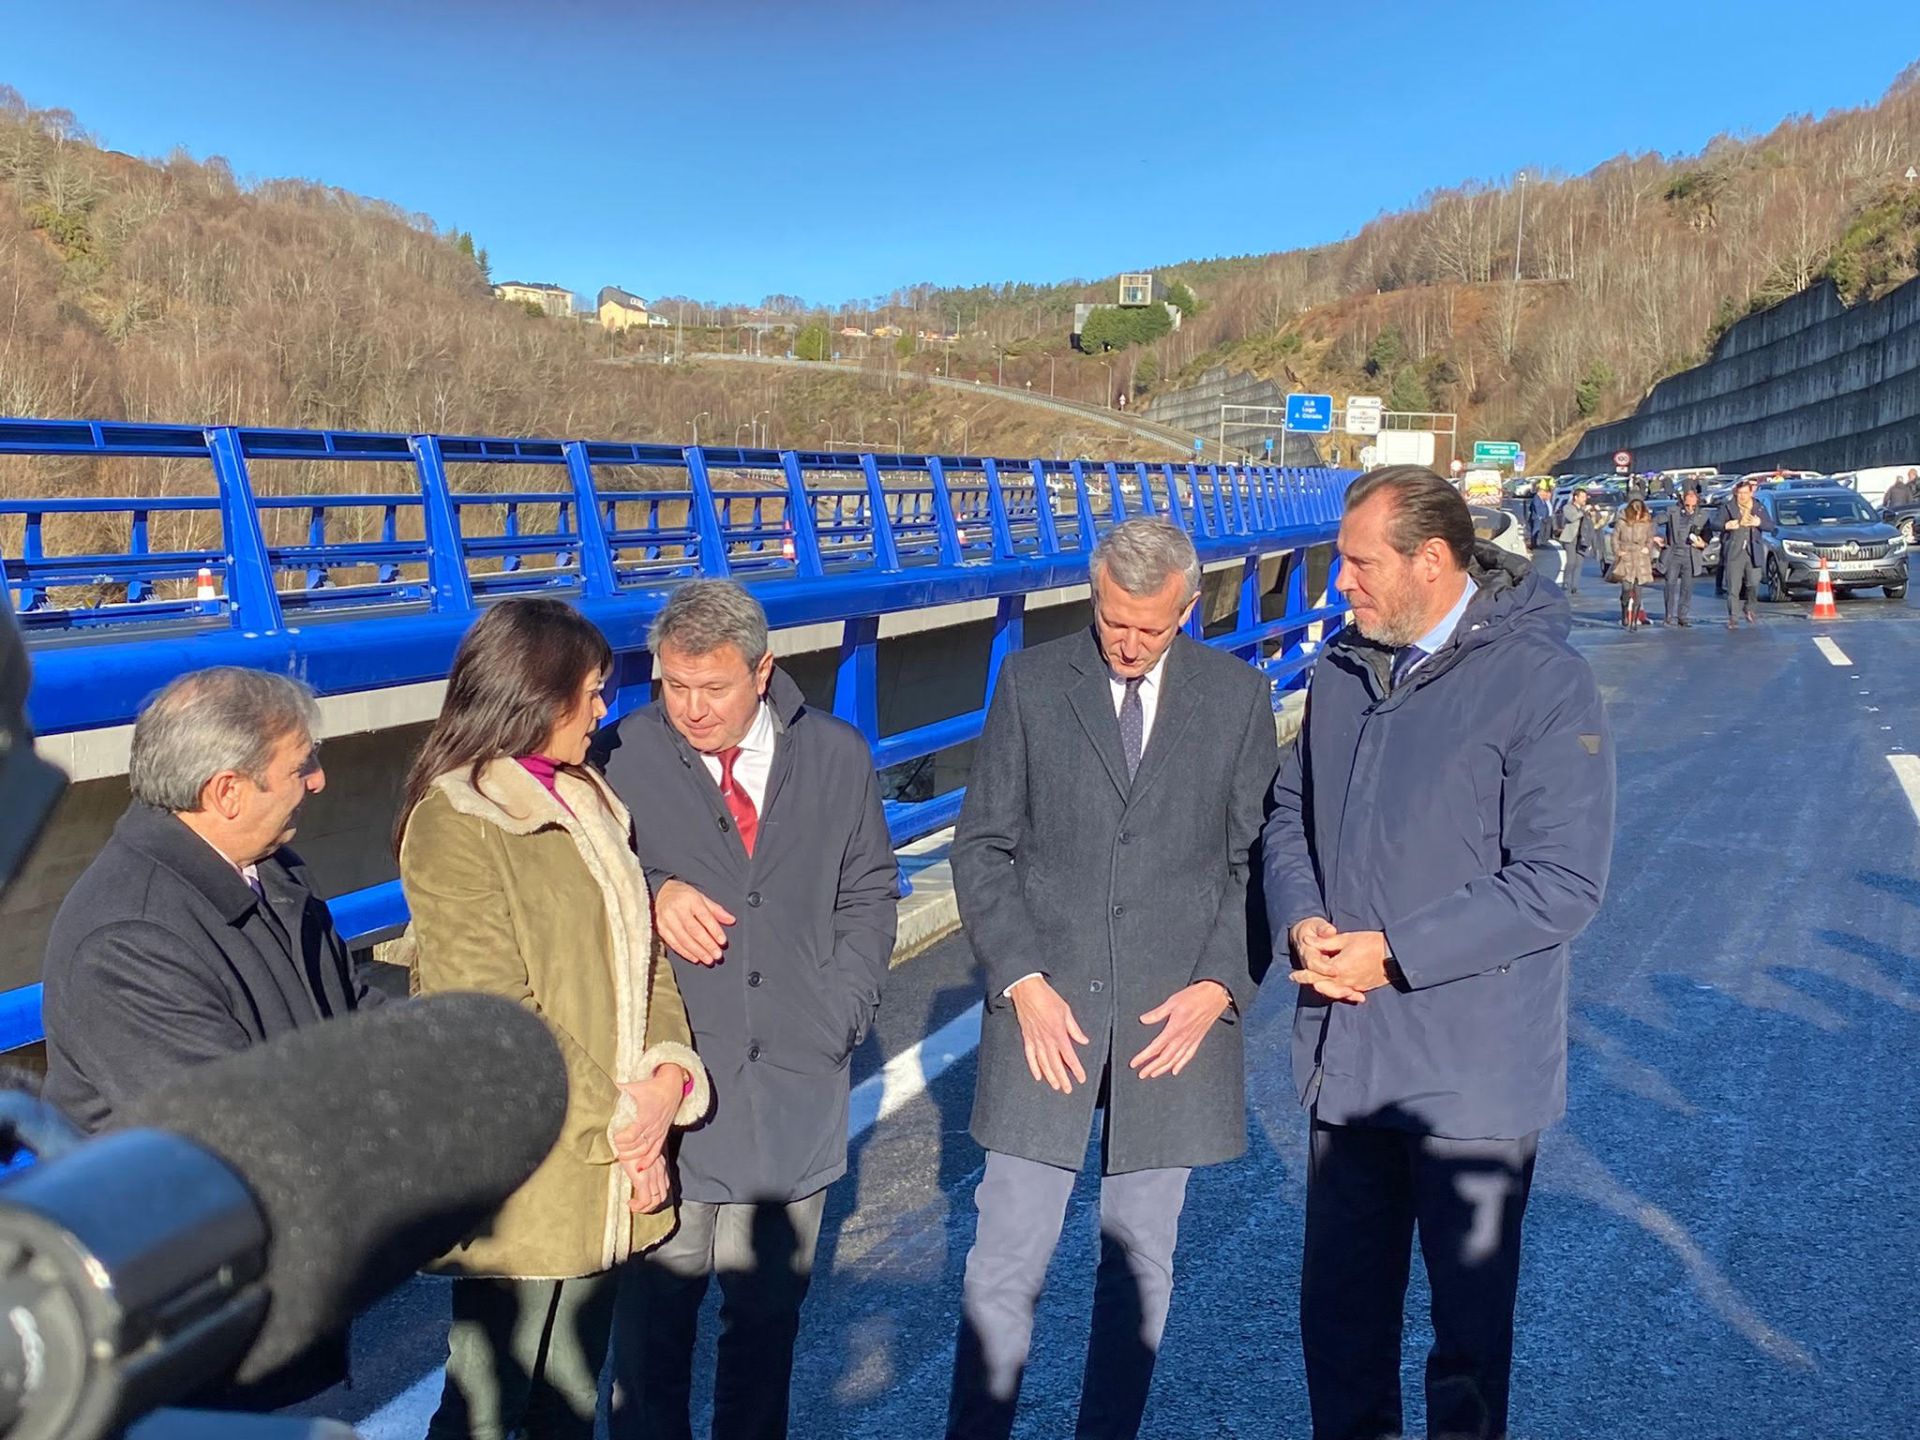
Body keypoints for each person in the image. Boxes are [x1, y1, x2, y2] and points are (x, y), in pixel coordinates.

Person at [1263, 466, 1615, 1440]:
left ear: (1431, 560)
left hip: (1471, 1077)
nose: (1340, 584)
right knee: (1338, 1331)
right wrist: (1301, 917)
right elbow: (1290, 813)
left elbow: (1561, 881)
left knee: (1465, 1352)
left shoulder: (1541, 680)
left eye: (1357, 563)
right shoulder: (1342, 668)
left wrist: (1394, 954)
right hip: (1352, 1061)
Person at [945, 518, 1279, 1440]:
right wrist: (1020, 977)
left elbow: (1256, 866)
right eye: (1110, 621)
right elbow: (983, 847)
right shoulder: (1030, 682)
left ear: (1189, 609)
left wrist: (1221, 986)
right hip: (1043, 1014)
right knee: (1004, 1259)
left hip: (1172, 1023)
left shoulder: (1239, 698)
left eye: (1149, 628)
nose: (1126, 645)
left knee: (1141, 1263)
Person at [396, 597, 710, 1440]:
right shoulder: (457, 821)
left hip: (609, 1160)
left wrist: (668, 1078)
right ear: (537, 694)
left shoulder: (591, 801)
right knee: (489, 1407)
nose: (603, 712)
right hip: (529, 1167)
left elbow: (647, 960)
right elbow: (497, 1014)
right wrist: (629, 1124)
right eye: (593, 693)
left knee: (568, 1400)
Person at [599, 580, 897, 1440]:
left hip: (796, 1080)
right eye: (673, 685)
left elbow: (870, 890)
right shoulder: (623, 754)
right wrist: (654, 892)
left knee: (766, 1327)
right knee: (654, 1329)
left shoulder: (836, 754)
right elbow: (584, 884)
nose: (690, 708)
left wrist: (843, 1009)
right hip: (676, 1085)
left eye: (713, 688)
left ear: (763, 672)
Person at [42, 666, 382, 1135]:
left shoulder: (274, 872)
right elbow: (232, 1133)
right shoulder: (128, 942)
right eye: (301, 766)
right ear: (227, 793)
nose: (319, 780)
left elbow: (354, 1010)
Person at [1717, 479, 1777, 627]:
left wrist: (1759, 523)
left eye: (1745, 493)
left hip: (1753, 551)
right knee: (1733, 587)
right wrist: (1726, 525)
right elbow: (1715, 523)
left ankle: (1749, 608)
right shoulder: (1728, 507)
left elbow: (1770, 526)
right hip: (1734, 552)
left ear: (1751, 492)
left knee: (1753, 584)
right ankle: (1733, 617)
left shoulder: (1758, 507)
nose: (1742, 496)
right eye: (1740, 493)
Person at [1656, 488, 1710, 626]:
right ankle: (1668, 615)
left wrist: (1702, 543)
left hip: (1690, 555)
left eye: (1693, 505)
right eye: (1688, 505)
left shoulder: (1702, 515)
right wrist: (1654, 537)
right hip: (1673, 554)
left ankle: (1682, 616)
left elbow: (1708, 534)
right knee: (1670, 585)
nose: (1690, 508)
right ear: (1683, 501)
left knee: (1687, 587)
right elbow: (1655, 521)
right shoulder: (1672, 512)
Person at [1612, 497, 1655, 629]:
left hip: (1640, 557)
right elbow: (1615, 538)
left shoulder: (1646, 523)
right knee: (1626, 588)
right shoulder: (1622, 523)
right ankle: (1624, 611)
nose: (1637, 515)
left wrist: (1647, 548)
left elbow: (1650, 538)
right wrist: (1618, 551)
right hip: (1626, 557)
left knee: (1638, 591)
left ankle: (1633, 622)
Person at [1554, 488, 1600, 596]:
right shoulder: (1568, 507)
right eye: (1582, 497)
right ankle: (1566, 582)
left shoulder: (1586, 509)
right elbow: (1572, 518)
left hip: (1583, 538)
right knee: (1571, 561)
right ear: (1576, 497)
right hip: (1570, 538)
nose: (1585, 499)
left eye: (1585, 497)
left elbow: (1596, 521)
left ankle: (1574, 586)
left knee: (1579, 563)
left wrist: (1595, 511)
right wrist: (1583, 511)